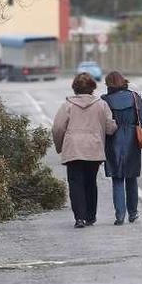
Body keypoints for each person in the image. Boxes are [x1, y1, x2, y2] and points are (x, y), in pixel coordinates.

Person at [52, 73, 118, 228]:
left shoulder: (67, 105)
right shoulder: (101, 104)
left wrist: (59, 146)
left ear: (75, 88)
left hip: (73, 149)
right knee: (90, 182)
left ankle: (79, 218)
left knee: (75, 183)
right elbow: (110, 127)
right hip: (93, 149)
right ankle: (90, 216)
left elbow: (58, 128)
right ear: (92, 88)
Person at [102, 71, 142, 225]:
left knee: (117, 178)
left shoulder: (105, 100)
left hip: (113, 139)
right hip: (131, 140)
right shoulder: (134, 97)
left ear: (109, 84)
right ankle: (133, 213)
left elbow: (102, 123)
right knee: (131, 177)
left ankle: (120, 215)